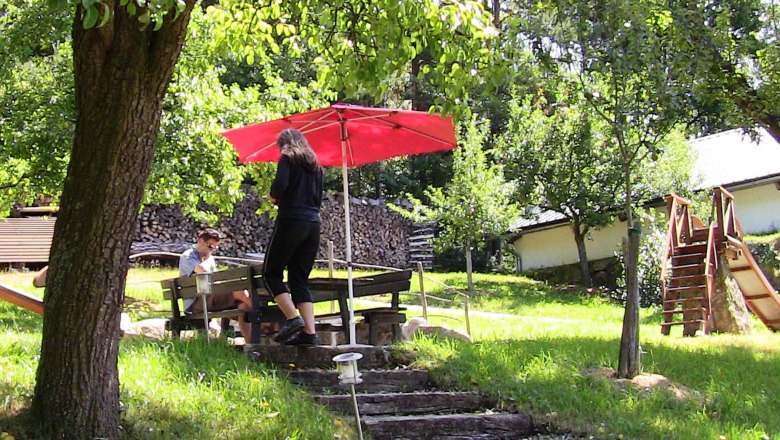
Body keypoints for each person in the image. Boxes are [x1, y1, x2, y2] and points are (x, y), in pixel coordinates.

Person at [263, 128, 323, 346]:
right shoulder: (317, 166)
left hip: (291, 220)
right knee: (299, 278)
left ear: (284, 144)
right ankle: (309, 333)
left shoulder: (287, 158)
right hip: (313, 224)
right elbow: (318, 198)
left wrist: (272, 197)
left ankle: (292, 318)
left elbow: (280, 186)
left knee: (270, 274)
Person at [179, 228, 252, 339]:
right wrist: (208, 257)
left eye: (215, 247)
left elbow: (216, 281)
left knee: (242, 306)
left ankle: (251, 344)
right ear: (201, 241)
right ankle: (263, 319)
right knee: (239, 291)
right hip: (196, 303)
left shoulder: (208, 257)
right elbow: (202, 270)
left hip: (210, 297)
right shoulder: (189, 256)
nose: (212, 250)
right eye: (210, 246)